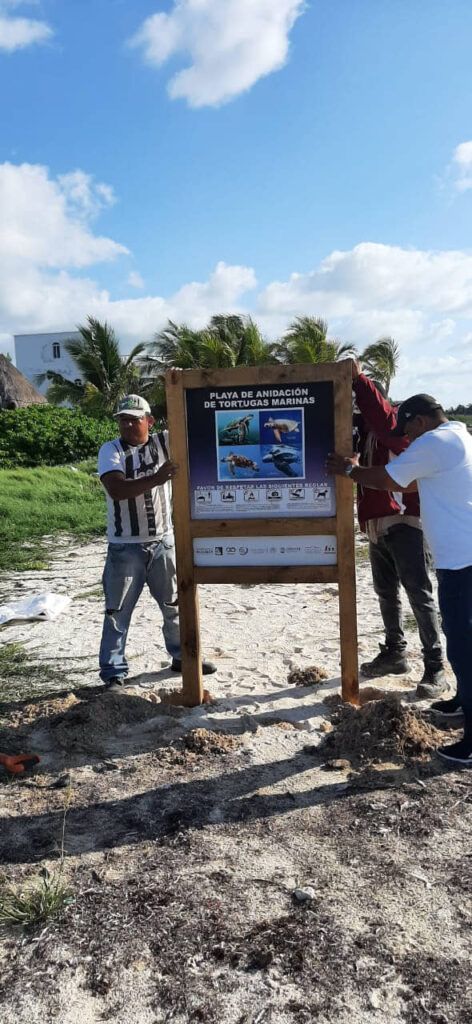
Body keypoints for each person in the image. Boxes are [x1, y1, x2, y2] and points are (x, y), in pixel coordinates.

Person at [327, 392, 472, 766]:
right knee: (461, 638)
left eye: (409, 431)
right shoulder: (458, 436)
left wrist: (349, 471)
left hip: (462, 563)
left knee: (462, 645)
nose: (407, 439)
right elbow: (407, 484)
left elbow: (391, 477)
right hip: (460, 558)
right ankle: (462, 702)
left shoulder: (435, 442)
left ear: (420, 422)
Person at [97, 394, 216, 689]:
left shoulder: (163, 442)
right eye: (122, 419)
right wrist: (157, 478)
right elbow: (116, 489)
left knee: (175, 603)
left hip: (163, 541)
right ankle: (113, 671)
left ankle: (181, 657)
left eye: (134, 419)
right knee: (117, 612)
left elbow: (190, 422)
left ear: (149, 421)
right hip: (125, 545)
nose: (127, 425)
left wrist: (179, 385)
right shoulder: (110, 450)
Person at [352, 362, 446, 698]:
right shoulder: (367, 431)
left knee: (419, 594)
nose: (358, 409)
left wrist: (358, 380)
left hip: (406, 522)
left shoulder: (396, 429)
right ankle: (395, 652)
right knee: (386, 592)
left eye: (361, 402)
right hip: (379, 523)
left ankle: (435, 666)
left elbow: (382, 418)